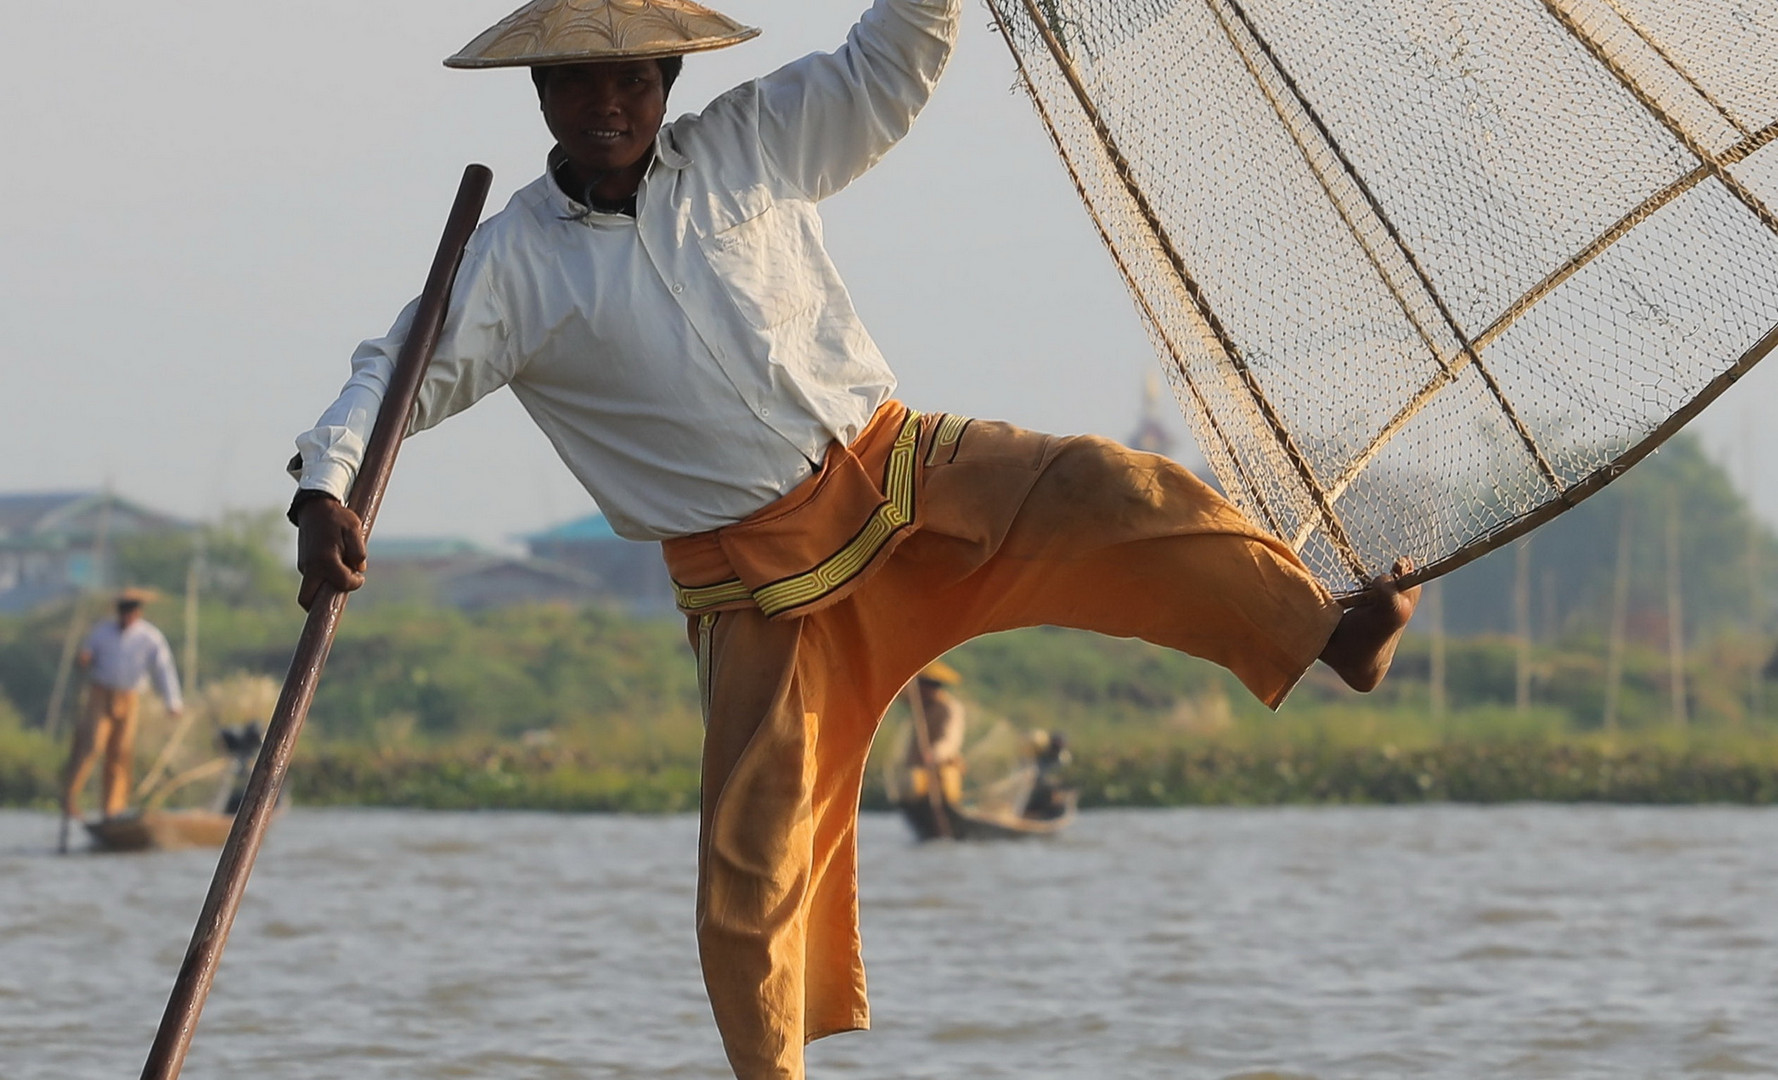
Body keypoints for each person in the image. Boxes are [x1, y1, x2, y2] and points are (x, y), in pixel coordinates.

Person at [287, 0, 1419, 1074]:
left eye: (630, 78)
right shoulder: (511, 262)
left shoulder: (746, 143)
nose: (607, 106)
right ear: (543, 95)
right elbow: (395, 376)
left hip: (900, 473)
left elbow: (883, 68)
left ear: (665, 82)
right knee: (748, 875)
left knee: (1118, 493)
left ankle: (1319, 636)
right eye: (580, 82)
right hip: (758, 584)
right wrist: (327, 495)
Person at [59, 589, 183, 841]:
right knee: (92, 745)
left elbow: (163, 669)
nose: (127, 616)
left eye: (131, 612)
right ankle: (69, 797)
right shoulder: (102, 632)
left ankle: (112, 809)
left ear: (137, 613)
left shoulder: (149, 637)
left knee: (120, 752)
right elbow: (87, 654)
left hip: (130, 698)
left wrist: (172, 701)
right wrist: (84, 659)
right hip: (101, 694)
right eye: (123, 612)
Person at [900, 660, 966, 805]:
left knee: (939, 802)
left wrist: (933, 754)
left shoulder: (948, 708)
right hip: (917, 774)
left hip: (940, 775)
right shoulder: (921, 705)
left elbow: (950, 740)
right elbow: (899, 695)